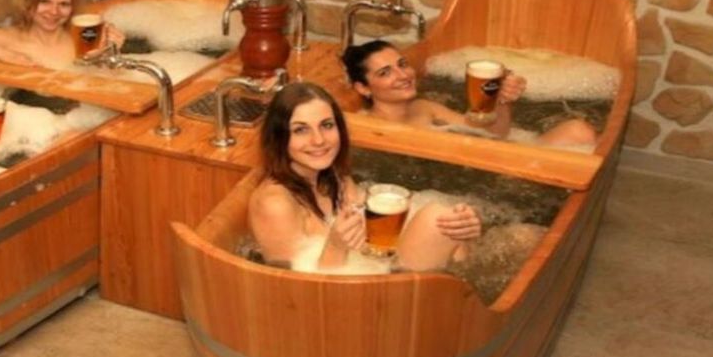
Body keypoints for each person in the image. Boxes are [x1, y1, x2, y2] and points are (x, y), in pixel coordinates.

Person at [247, 82, 481, 274]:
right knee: (436, 218)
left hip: (373, 281)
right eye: (300, 130)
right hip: (337, 306)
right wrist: (336, 246)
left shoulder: (335, 179)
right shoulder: (274, 204)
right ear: (278, 137)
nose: (318, 140)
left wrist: (463, 230)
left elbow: (376, 243)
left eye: (326, 125)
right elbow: (295, 291)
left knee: (446, 221)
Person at [341, 40, 596, 147]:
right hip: (443, 185)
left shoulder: (423, 107)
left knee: (578, 130)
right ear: (363, 88)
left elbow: (493, 133)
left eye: (402, 64)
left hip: (476, 170)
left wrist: (500, 100)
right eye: (385, 73)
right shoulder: (367, 127)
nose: (403, 75)